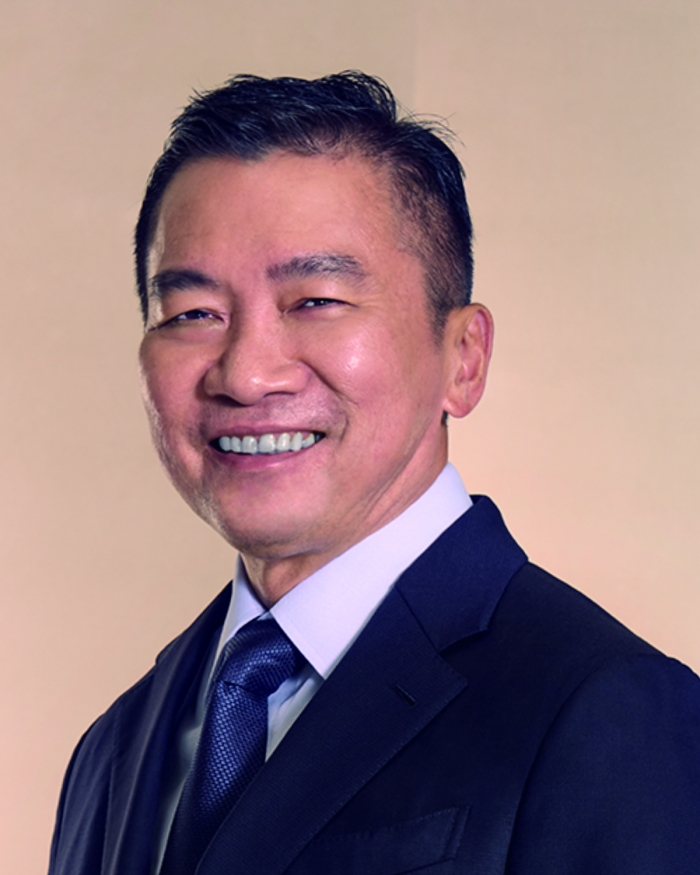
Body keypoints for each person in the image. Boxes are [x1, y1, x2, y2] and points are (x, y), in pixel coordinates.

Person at [48, 72, 700, 875]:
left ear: (463, 358)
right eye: (193, 314)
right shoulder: (112, 751)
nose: (246, 374)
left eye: (315, 300)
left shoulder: (607, 713)